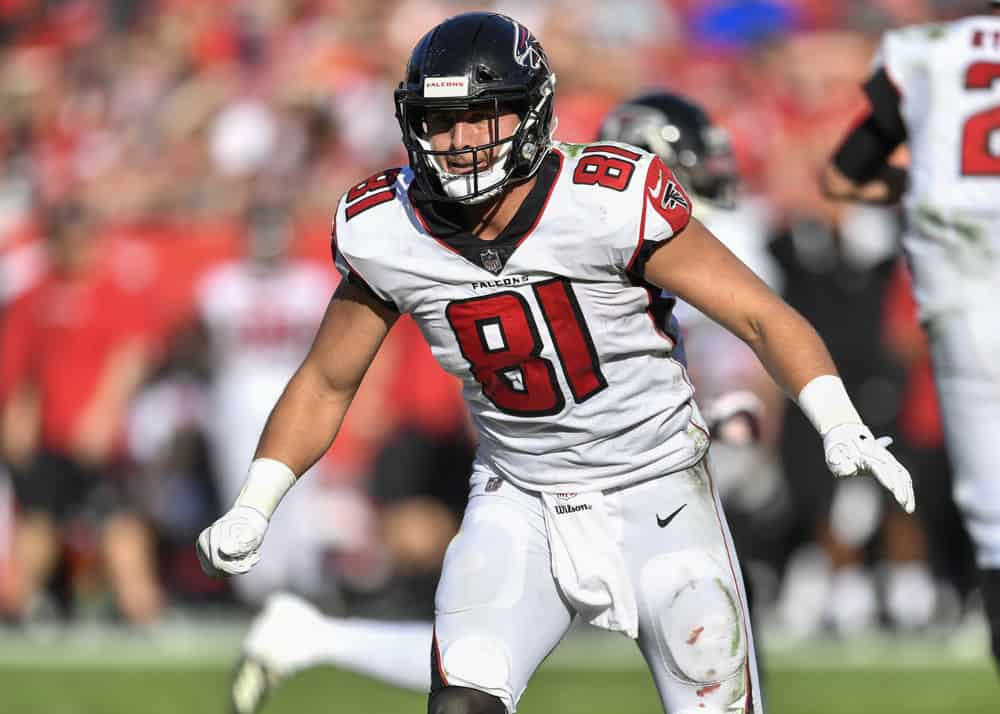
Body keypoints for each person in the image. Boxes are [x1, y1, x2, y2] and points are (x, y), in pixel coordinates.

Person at [200, 12, 913, 714]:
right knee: (461, 701)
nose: (462, 140)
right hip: (520, 496)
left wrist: (836, 420)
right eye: (442, 120)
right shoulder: (389, 227)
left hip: (657, 493)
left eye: (486, 115)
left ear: (533, 112)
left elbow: (762, 315)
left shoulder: (604, 200)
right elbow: (328, 381)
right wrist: (255, 504)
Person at [821, 1, 1000, 664]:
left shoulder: (927, 50)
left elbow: (840, 176)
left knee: (989, 520)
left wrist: (920, 181)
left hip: (964, 301)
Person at [0, 201, 163, 624]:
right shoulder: (36, 295)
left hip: (98, 436)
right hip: (50, 435)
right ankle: (19, 606)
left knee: (117, 519)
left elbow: (133, 355)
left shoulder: (115, 291)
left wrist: (104, 414)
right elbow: (20, 366)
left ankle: (139, 605)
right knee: (38, 518)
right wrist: (17, 416)